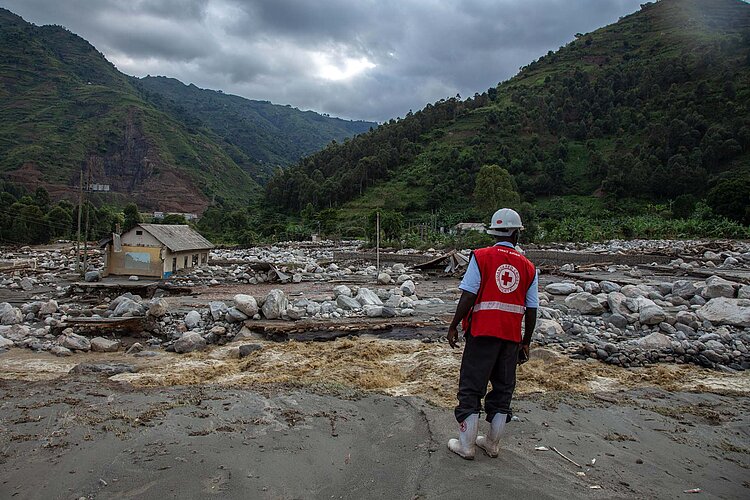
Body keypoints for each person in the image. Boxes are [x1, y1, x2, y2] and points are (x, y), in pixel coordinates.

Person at [446, 208, 538, 460]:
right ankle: (492, 444)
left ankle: (466, 446)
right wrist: (526, 342)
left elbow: (469, 294)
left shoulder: (481, 257)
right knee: (503, 388)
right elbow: (532, 310)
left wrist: (454, 324)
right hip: (510, 338)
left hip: (482, 333)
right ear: (516, 234)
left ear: (494, 232)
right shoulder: (529, 266)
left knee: (471, 387)